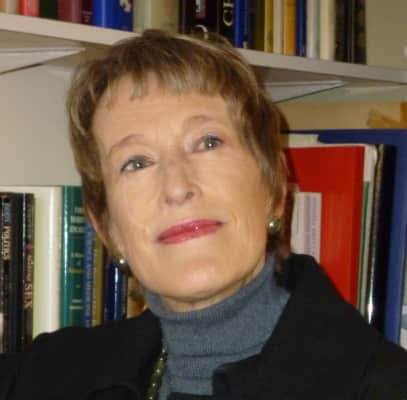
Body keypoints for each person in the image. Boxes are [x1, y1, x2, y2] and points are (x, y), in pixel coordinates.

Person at [1, 29, 407, 400]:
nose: (177, 187)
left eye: (208, 142)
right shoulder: (48, 374)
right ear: (107, 230)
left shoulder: (381, 385)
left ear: (273, 187)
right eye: (136, 163)